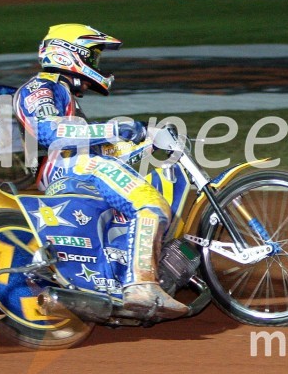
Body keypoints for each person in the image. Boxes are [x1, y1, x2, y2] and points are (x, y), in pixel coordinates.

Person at [13, 23, 188, 319]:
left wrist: (143, 139)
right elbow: (47, 131)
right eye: (92, 56)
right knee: (150, 205)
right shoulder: (42, 87)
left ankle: (115, 279)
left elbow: (86, 143)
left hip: (75, 167)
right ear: (69, 54)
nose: (96, 64)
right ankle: (142, 286)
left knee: (133, 211)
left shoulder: (63, 96)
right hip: (72, 169)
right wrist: (114, 128)